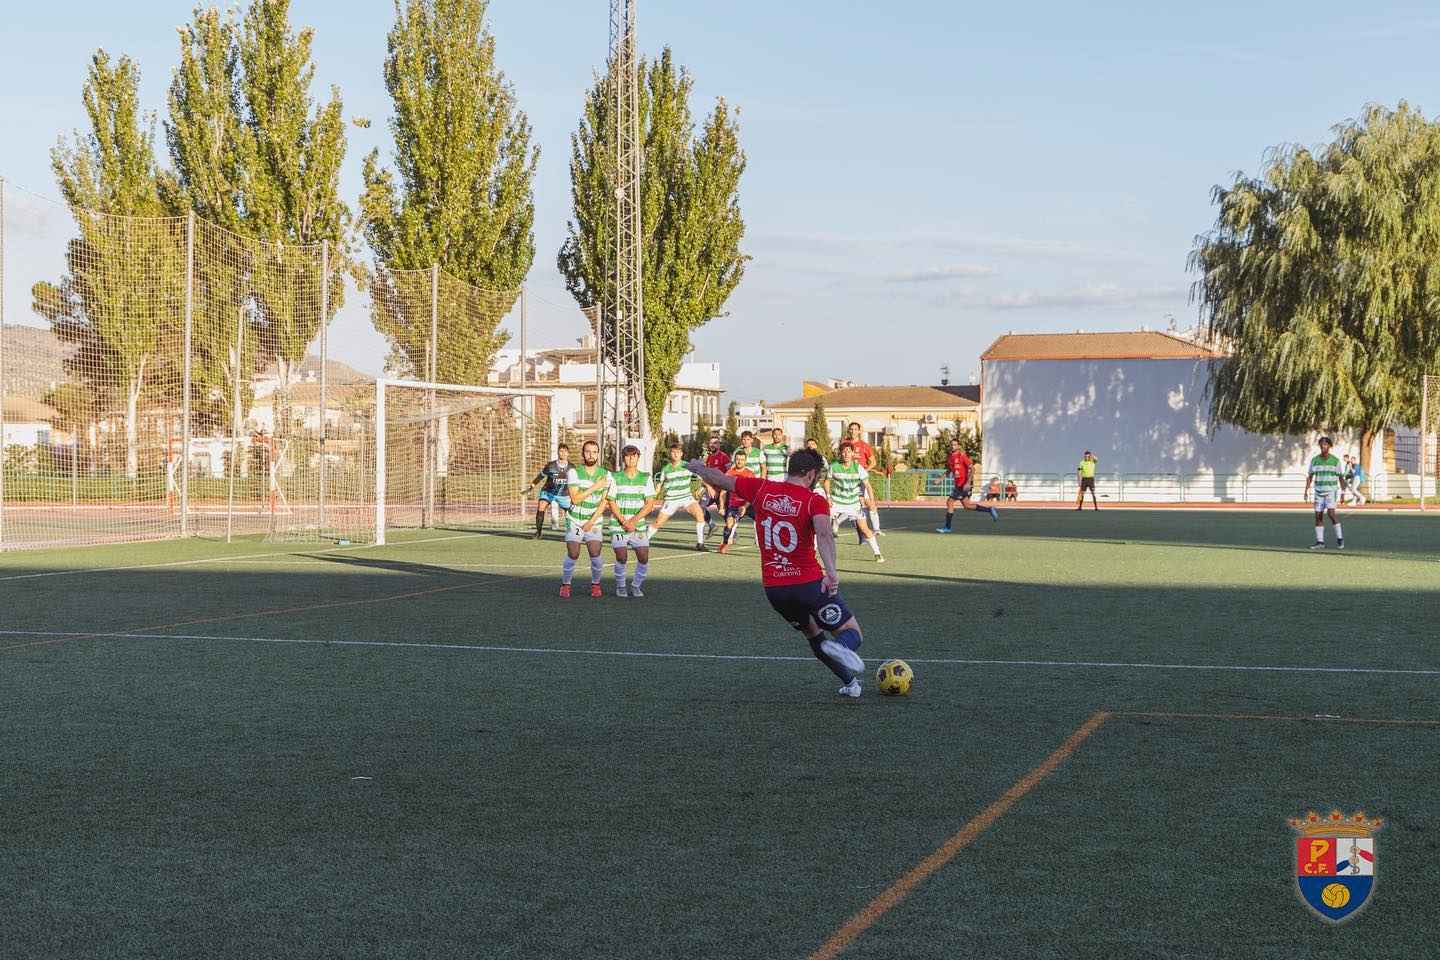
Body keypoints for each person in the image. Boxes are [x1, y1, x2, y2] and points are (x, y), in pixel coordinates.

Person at [688, 448, 871, 698]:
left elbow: (721, 479)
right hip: (807, 584)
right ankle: (841, 647)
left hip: (775, 589)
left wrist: (699, 468)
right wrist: (831, 572)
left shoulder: (761, 488)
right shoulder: (813, 500)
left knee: (813, 634)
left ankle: (850, 684)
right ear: (811, 474)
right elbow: (825, 534)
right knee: (852, 632)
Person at [559, 440, 613, 598]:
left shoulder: (606, 475)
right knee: (573, 553)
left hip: (593, 520)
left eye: (594, 452)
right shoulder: (574, 472)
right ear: (583, 454)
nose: (591, 455)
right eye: (588, 451)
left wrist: (591, 521)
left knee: (595, 552)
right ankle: (565, 584)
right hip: (574, 519)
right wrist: (596, 486)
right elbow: (575, 499)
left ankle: (596, 585)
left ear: (598, 454)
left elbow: (604, 502)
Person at [606, 444, 661, 596]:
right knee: (622, 556)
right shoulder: (615, 477)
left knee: (643, 557)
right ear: (623, 458)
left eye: (634, 456)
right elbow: (611, 501)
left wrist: (634, 521)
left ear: (638, 457)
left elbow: (650, 504)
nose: (631, 458)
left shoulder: (646, 478)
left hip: (638, 525)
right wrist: (624, 521)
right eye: (628, 456)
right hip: (618, 525)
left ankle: (636, 585)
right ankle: (621, 586)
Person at [827, 441, 884, 562]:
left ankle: (877, 552)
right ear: (840, 453)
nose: (846, 454)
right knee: (821, 525)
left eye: (849, 451)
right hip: (836, 502)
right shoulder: (834, 466)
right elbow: (827, 481)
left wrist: (872, 500)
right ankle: (814, 551)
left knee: (864, 528)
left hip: (853, 504)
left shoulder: (858, 468)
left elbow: (867, 485)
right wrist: (828, 496)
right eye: (844, 451)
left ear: (853, 453)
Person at [651, 442, 709, 551]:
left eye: (678, 452)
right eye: (673, 452)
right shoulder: (666, 469)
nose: (675, 455)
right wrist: (652, 500)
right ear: (670, 454)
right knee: (658, 523)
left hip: (687, 497)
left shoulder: (687, 466)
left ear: (681, 454)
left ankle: (700, 543)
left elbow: (702, 478)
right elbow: (659, 486)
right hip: (671, 499)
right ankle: (642, 541)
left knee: (700, 515)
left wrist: (701, 489)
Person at [936, 437, 998, 532]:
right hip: (958, 485)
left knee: (950, 502)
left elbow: (972, 469)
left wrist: (968, 482)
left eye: (955, 445)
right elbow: (949, 470)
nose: (953, 446)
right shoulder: (950, 457)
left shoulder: (962, 456)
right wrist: (940, 479)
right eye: (951, 445)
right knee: (967, 506)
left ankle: (947, 527)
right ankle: (989, 510)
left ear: (958, 446)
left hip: (963, 485)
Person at [522, 444, 572, 538]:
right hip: (548, 491)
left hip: (563, 494)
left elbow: (575, 481)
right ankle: (538, 532)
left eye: (565, 451)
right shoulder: (551, 466)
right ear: (558, 452)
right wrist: (531, 487)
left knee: (571, 513)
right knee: (541, 507)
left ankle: (571, 533)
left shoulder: (572, 467)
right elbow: (540, 476)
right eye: (561, 451)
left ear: (568, 453)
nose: (563, 453)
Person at [1304, 436, 1345, 550]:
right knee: (1318, 516)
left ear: (1330, 446)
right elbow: (1310, 476)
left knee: (1331, 514)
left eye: (1326, 444)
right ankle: (1320, 542)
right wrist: (1306, 490)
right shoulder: (1315, 460)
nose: (1323, 446)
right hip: (1318, 492)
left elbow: (1341, 478)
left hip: (1331, 491)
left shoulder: (1335, 461)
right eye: (1322, 444)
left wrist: (1343, 493)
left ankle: (1340, 538)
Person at [844, 422, 884, 536]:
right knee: (848, 504)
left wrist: (864, 471)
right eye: (851, 429)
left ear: (859, 431)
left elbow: (873, 462)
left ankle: (876, 529)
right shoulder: (844, 444)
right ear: (849, 430)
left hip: (860, 479)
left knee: (869, 503)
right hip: (847, 478)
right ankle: (839, 525)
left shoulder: (864, 445)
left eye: (855, 429)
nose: (853, 431)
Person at [717, 449, 757, 554]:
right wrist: (721, 507)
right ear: (735, 460)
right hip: (734, 505)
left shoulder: (750, 474)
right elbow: (723, 492)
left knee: (765, 521)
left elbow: (753, 494)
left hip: (749, 504)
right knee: (729, 523)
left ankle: (770, 546)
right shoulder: (729, 473)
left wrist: (745, 506)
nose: (739, 461)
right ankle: (725, 543)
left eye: (742, 460)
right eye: (738, 459)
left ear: (745, 461)